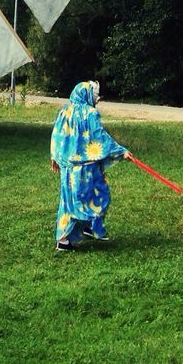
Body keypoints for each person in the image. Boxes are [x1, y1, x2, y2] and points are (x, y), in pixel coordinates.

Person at [50, 81, 130, 251]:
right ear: (87, 95)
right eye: (95, 96)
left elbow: (56, 135)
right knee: (99, 195)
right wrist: (121, 151)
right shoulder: (90, 114)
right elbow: (99, 136)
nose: (97, 100)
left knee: (68, 202)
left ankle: (67, 238)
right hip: (86, 167)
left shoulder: (64, 111)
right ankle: (88, 226)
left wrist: (54, 157)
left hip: (68, 168)